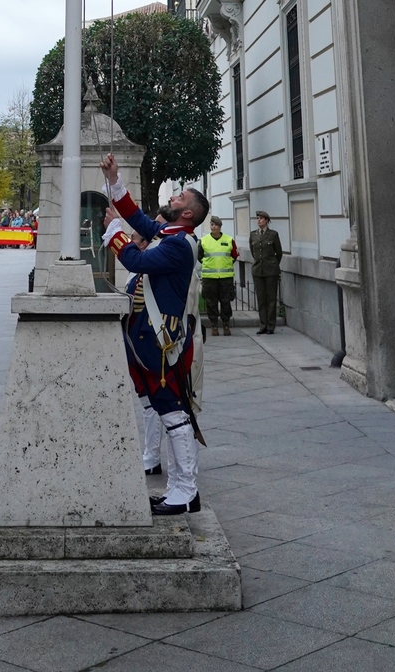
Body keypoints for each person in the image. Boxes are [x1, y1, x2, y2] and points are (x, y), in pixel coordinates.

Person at [100, 151, 208, 517]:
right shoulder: (171, 233)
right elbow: (141, 220)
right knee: (167, 411)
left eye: (179, 198)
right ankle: (179, 489)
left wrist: (114, 233)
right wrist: (115, 183)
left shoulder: (179, 244)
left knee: (173, 412)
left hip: (162, 342)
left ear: (188, 213)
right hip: (150, 338)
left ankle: (186, 491)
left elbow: (137, 260)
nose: (173, 198)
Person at [200, 216, 238, 336]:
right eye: (211, 224)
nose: (213, 227)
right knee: (211, 303)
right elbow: (200, 256)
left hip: (225, 277)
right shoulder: (203, 240)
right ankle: (214, 325)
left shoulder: (229, 240)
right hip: (209, 278)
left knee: (226, 302)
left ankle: (226, 325)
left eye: (216, 225)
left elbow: (234, 255)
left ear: (220, 226)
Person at [250, 210, 283, 334]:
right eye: (258, 218)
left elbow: (278, 253)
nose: (259, 220)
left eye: (261, 218)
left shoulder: (273, 235)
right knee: (261, 299)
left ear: (267, 221)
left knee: (271, 299)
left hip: (271, 270)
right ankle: (262, 325)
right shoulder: (253, 235)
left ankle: (270, 325)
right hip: (258, 270)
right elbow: (253, 251)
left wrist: (273, 264)